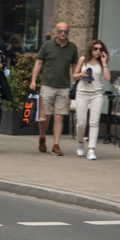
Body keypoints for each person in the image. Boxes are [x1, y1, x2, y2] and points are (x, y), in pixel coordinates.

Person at [30, 22, 79, 156]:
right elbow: (38, 63)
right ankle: (42, 137)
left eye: (65, 31)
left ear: (68, 33)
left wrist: (77, 83)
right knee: (45, 116)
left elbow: (75, 67)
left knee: (59, 117)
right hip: (47, 85)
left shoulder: (72, 47)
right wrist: (33, 81)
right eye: (60, 31)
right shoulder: (47, 45)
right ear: (56, 32)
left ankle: (56, 145)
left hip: (64, 87)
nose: (63, 33)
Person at [73, 40, 111, 160]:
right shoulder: (82, 60)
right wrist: (81, 75)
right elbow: (74, 77)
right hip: (82, 93)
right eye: (95, 49)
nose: (98, 51)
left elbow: (107, 78)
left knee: (94, 122)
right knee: (81, 122)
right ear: (91, 49)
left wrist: (104, 62)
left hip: (96, 94)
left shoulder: (101, 62)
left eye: (100, 49)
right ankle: (80, 142)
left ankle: (91, 149)